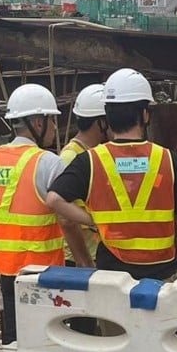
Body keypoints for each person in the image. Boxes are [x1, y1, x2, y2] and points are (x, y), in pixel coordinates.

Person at [0, 83, 83, 346]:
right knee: (47, 343)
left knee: (15, 342)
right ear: (37, 122)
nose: (56, 128)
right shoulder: (48, 162)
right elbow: (67, 219)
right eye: (52, 121)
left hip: (6, 270)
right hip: (43, 273)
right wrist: (83, 259)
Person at [46, 68, 177, 283]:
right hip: (160, 272)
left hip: (111, 273)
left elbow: (54, 199)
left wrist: (94, 220)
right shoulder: (169, 159)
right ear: (145, 115)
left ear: (108, 117)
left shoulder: (90, 160)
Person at [59, 84, 108, 268]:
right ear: (100, 122)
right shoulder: (71, 157)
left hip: (95, 252)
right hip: (80, 258)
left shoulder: (94, 153)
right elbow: (66, 218)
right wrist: (84, 261)